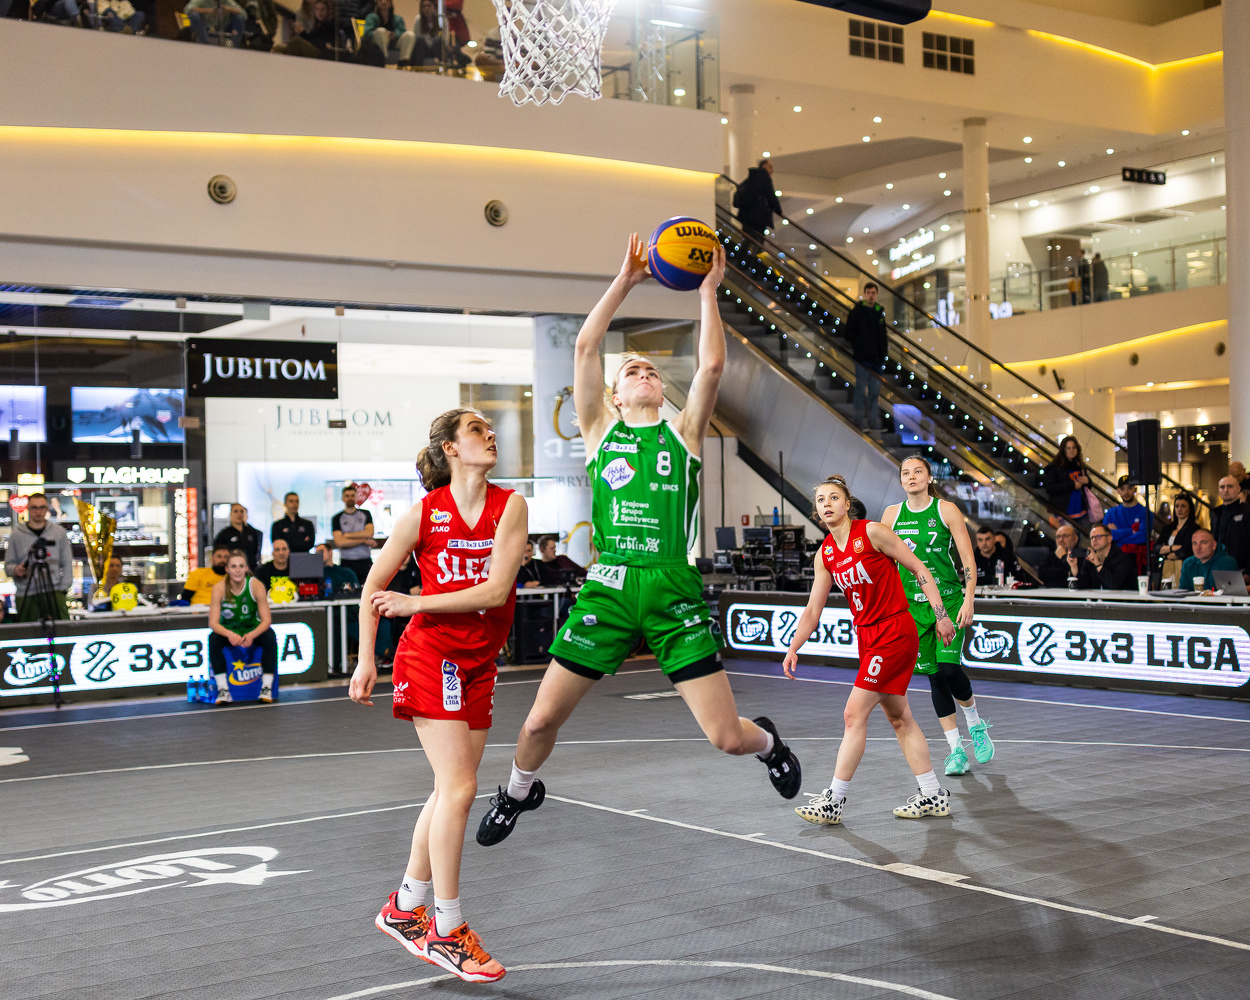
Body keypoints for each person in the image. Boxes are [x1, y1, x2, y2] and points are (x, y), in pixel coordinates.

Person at [477, 234, 801, 848]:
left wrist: (708, 292)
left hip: (673, 585)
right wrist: (624, 281)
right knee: (540, 718)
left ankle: (770, 744)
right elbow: (585, 345)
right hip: (611, 587)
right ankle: (516, 792)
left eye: (651, 370)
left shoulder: (683, 434)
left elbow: (711, 367)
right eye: (632, 371)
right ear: (615, 395)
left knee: (726, 737)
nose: (645, 373)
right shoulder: (600, 432)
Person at [351, 408, 528, 983]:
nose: (490, 434)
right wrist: (365, 659)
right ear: (450, 448)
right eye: (477, 429)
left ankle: (405, 906)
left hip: (478, 661)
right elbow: (373, 586)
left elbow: (496, 590)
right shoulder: (425, 513)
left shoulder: (510, 506)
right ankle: (446, 929)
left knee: (450, 787)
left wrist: (415, 602)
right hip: (431, 655)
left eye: (489, 428)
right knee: (459, 787)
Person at [789, 475, 956, 825]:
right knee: (900, 718)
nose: (827, 504)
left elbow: (920, 569)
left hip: (894, 631)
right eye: (821, 500)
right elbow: (813, 610)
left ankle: (834, 800)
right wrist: (794, 646)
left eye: (834, 498)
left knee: (853, 715)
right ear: (816, 510)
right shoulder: (826, 554)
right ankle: (933, 794)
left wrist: (941, 615)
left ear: (847, 504)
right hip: (867, 638)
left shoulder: (872, 533)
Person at [883, 457, 992, 778]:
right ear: (900, 480)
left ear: (929, 477)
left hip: (949, 602)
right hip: (912, 610)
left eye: (918, 471)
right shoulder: (891, 515)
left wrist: (969, 599)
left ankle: (975, 724)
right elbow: (884, 565)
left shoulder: (946, 510)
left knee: (948, 668)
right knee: (934, 677)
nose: (912, 477)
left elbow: (968, 560)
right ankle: (956, 750)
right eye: (906, 473)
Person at [208, 551, 277, 705]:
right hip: (230, 630)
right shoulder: (219, 588)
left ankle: (266, 687)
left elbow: (267, 620)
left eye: (241, 566)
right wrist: (229, 634)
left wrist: (252, 634)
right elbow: (213, 623)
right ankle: (223, 689)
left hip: (251, 629)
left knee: (270, 636)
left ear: (246, 568)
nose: (237, 570)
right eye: (233, 566)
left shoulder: (256, 585)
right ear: (227, 569)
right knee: (213, 639)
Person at [5, 493, 73, 622]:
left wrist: (63, 589)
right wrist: (16, 569)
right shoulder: (17, 534)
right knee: (26, 630)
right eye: (34, 508)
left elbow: (67, 562)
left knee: (62, 628)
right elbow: (8, 566)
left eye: (42, 507)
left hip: (54, 590)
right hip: (26, 591)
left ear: (47, 508)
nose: (38, 512)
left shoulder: (58, 532)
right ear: (28, 508)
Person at [844, 281, 888, 432]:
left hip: (877, 359)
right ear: (864, 294)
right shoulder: (857, 312)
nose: (870, 296)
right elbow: (848, 333)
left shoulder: (879, 312)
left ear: (876, 294)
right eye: (868, 293)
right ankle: (859, 422)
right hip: (863, 358)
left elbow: (883, 335)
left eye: (873, 293)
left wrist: (883, 352)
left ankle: (873, 423)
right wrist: (860, 345)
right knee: (861, 389)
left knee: (874, 392)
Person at [1103, 476, 1153, 574]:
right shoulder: (1111, 513)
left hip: (1137, 561)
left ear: (1135, 489)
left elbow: (1143, 537)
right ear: (1118, 491)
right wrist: (1130, 531)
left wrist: (1117, 536)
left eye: (1129, 488)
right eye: (1122, 489)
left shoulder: (1145, 512)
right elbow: (1105, 537)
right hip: (1115, 560)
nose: (1126, 492)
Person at [1070, 525, 1137, 590]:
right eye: (1092, 538)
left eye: (1098, 536)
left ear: (1109, 539)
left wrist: (1098, 564)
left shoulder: (1123, 558)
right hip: (1096, 597)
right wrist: (1074, 568)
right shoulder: (1090, 559)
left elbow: (1114, 585)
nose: (1094, 540)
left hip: (1120, 597)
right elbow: (1083, 585)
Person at [332, 485, 376, 584]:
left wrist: (347, 535)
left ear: (356, 497)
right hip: (346, 561)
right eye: (347, 496)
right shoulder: (337, 518)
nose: (350, 498)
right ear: (343, 498)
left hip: (365, 561)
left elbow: (369, 533)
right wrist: (363, 540)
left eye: (352, 495)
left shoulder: (366, 514)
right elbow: (340, 542)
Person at [1042, 435, 1090, 525]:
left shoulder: (1080, 466)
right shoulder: (1055, 467)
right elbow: (1050, 488)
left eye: (1074, 447)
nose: (1071, 450)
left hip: (1081, 511)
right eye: (1068, 448)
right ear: (1063, 450)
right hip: (1064, 512)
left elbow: (1087, 487)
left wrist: (1088, 481)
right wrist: (1072, 485)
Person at [732, 158, 783, 240]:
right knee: (757, 240)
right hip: (758, 217)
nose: (772, 170)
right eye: (770, 167)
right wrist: (779, 211)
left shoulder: (751, 178)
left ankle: (746, 248)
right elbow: (771, 196)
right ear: (764, 166)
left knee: (747, 239)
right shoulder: (764, 178)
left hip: (745, 215)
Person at [1210, 475, 1250, 572]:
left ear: (1238, 488)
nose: (1226, 490)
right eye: (1222, 487)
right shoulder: (1215, 513)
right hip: (1218, 566)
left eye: (1230, 486)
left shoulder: (1247, 511)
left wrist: (1249, 570)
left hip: (1240, 567)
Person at [214, 504, 263, 571]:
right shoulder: (224, 534)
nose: (239, 514)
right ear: (230, 514)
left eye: (241, 511)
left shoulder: (252, 532)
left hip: (250, 570)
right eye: (236, 511)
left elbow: (256, 553)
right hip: (232, 570)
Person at [1037, 522, 1083, 588]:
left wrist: (1063, 557)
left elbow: (1078, 576)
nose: (1061, 540)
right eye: (1058, 537)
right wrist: (1066, 572)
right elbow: (1041, 574)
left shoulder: (1081, 554)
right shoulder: (1052, 555)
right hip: (1051, 591)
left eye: (1065, 536)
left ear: (1075, 539)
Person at [1158, 492, 1198, 566]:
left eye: (1183, 506)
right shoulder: (1168, 528)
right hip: (1167, 566)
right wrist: (1172, 548)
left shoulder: (1194, 529)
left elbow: (1187, 550)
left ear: (1189, 509)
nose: (1179, 509)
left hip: (1186, 565)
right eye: (1177, 506)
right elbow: (1156, 548)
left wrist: (1166, 553)